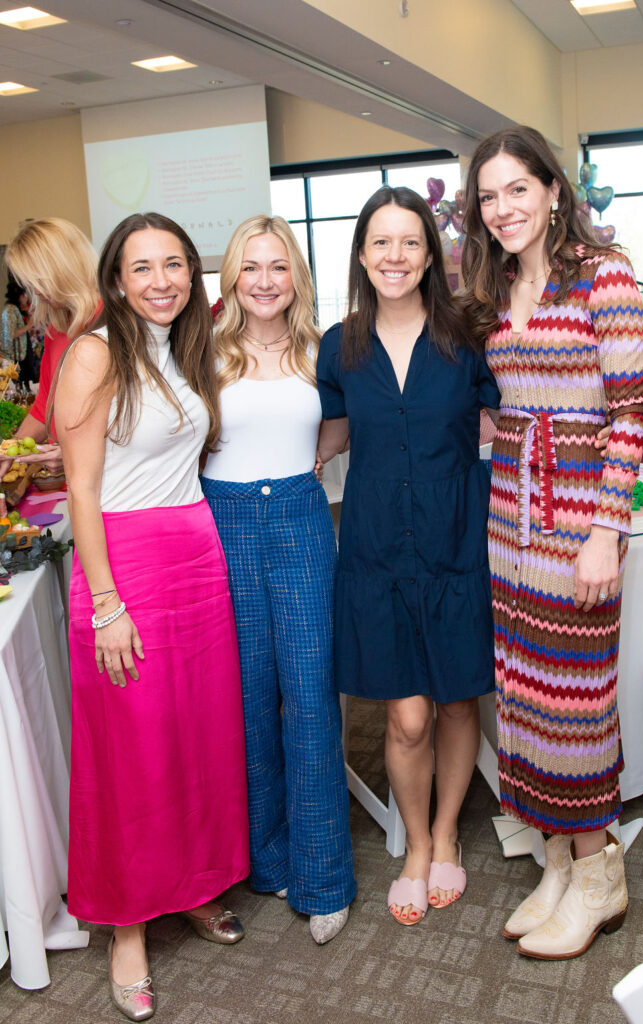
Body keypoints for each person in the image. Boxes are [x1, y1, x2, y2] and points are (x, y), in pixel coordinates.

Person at [54, 212, 249, 1020]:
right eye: (143, 267)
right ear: (116, 280)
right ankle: (126, 926)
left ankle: (194, 886)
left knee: (196, 740)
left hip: (196, 560)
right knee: (129, 754)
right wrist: (105, 605)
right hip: (124, 572)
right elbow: (83, 490)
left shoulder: (183, 350)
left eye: (175, 264)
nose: (162, 280)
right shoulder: (95, 354)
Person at [461, 125, 643, 960]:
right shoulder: (498, 284)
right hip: (511, 511)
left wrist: (605, 530)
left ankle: (599, 869)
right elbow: (503, 402)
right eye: (488, 196)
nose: (502, 209)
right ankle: (561, 862)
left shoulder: (602, 273)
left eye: (516, 190)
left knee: (575, 701)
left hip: (578, 516)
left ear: (550, 190)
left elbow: (629, 417)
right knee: (526, 694)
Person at [316, 186, 501, 926]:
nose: (395, 256)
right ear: (361, 254)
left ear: (432, 254)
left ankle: (447, 829)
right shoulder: (340, 344)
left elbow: (503, 420)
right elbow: (330, 434)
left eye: (410, 242)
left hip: (457, 537)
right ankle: (417, 842)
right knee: (407, 716)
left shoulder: (466, 334)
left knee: (457, 699)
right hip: (376, 548)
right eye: (380, 243)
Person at [201, 215, 356, 945]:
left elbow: (340, 424)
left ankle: (324, 875)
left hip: (297, 517)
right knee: (248, 697)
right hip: (220, 523)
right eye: (249, 267)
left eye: (277, 267)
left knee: (311, 696)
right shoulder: (202, 351)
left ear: (295, 275)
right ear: (232, 277)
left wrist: (311, 462)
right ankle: (269, 861)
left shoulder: (321, 353)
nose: (264, 281)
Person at [2, 217, 102, 477]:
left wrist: (73, 454)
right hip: (80, 483)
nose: (35, 290)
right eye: (29, 283)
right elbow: (45, 405)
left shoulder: (113, 321)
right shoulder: (56, 329)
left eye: (39, 279)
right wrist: (10, 450)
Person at [1, 275, 33, 384]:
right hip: (16, 357)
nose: (26, 297)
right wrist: (28, 326)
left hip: (23, 354)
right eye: (24, 294)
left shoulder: (19, 309)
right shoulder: (10, 310)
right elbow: (9, 335)